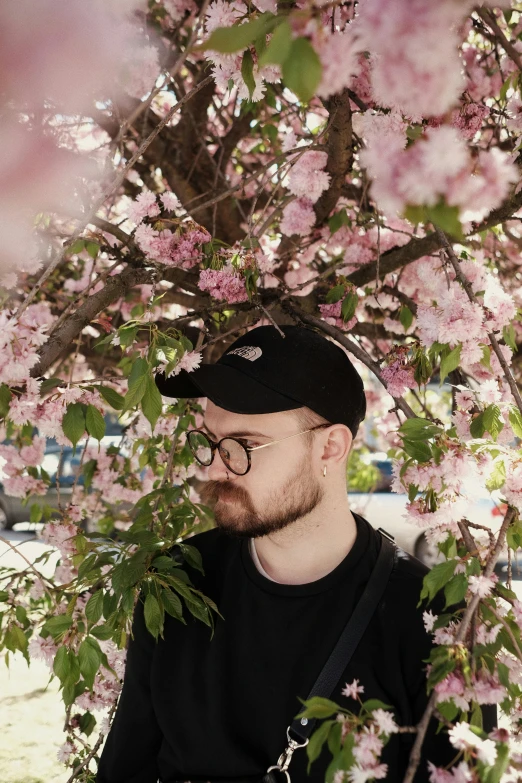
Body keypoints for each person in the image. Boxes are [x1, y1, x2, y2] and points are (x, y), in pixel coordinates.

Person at [97, 325, 492, 783]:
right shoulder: (177, 579)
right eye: (208, 441)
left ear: (330, 447)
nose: (213, 467)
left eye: (243, 445)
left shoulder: (434, 619)